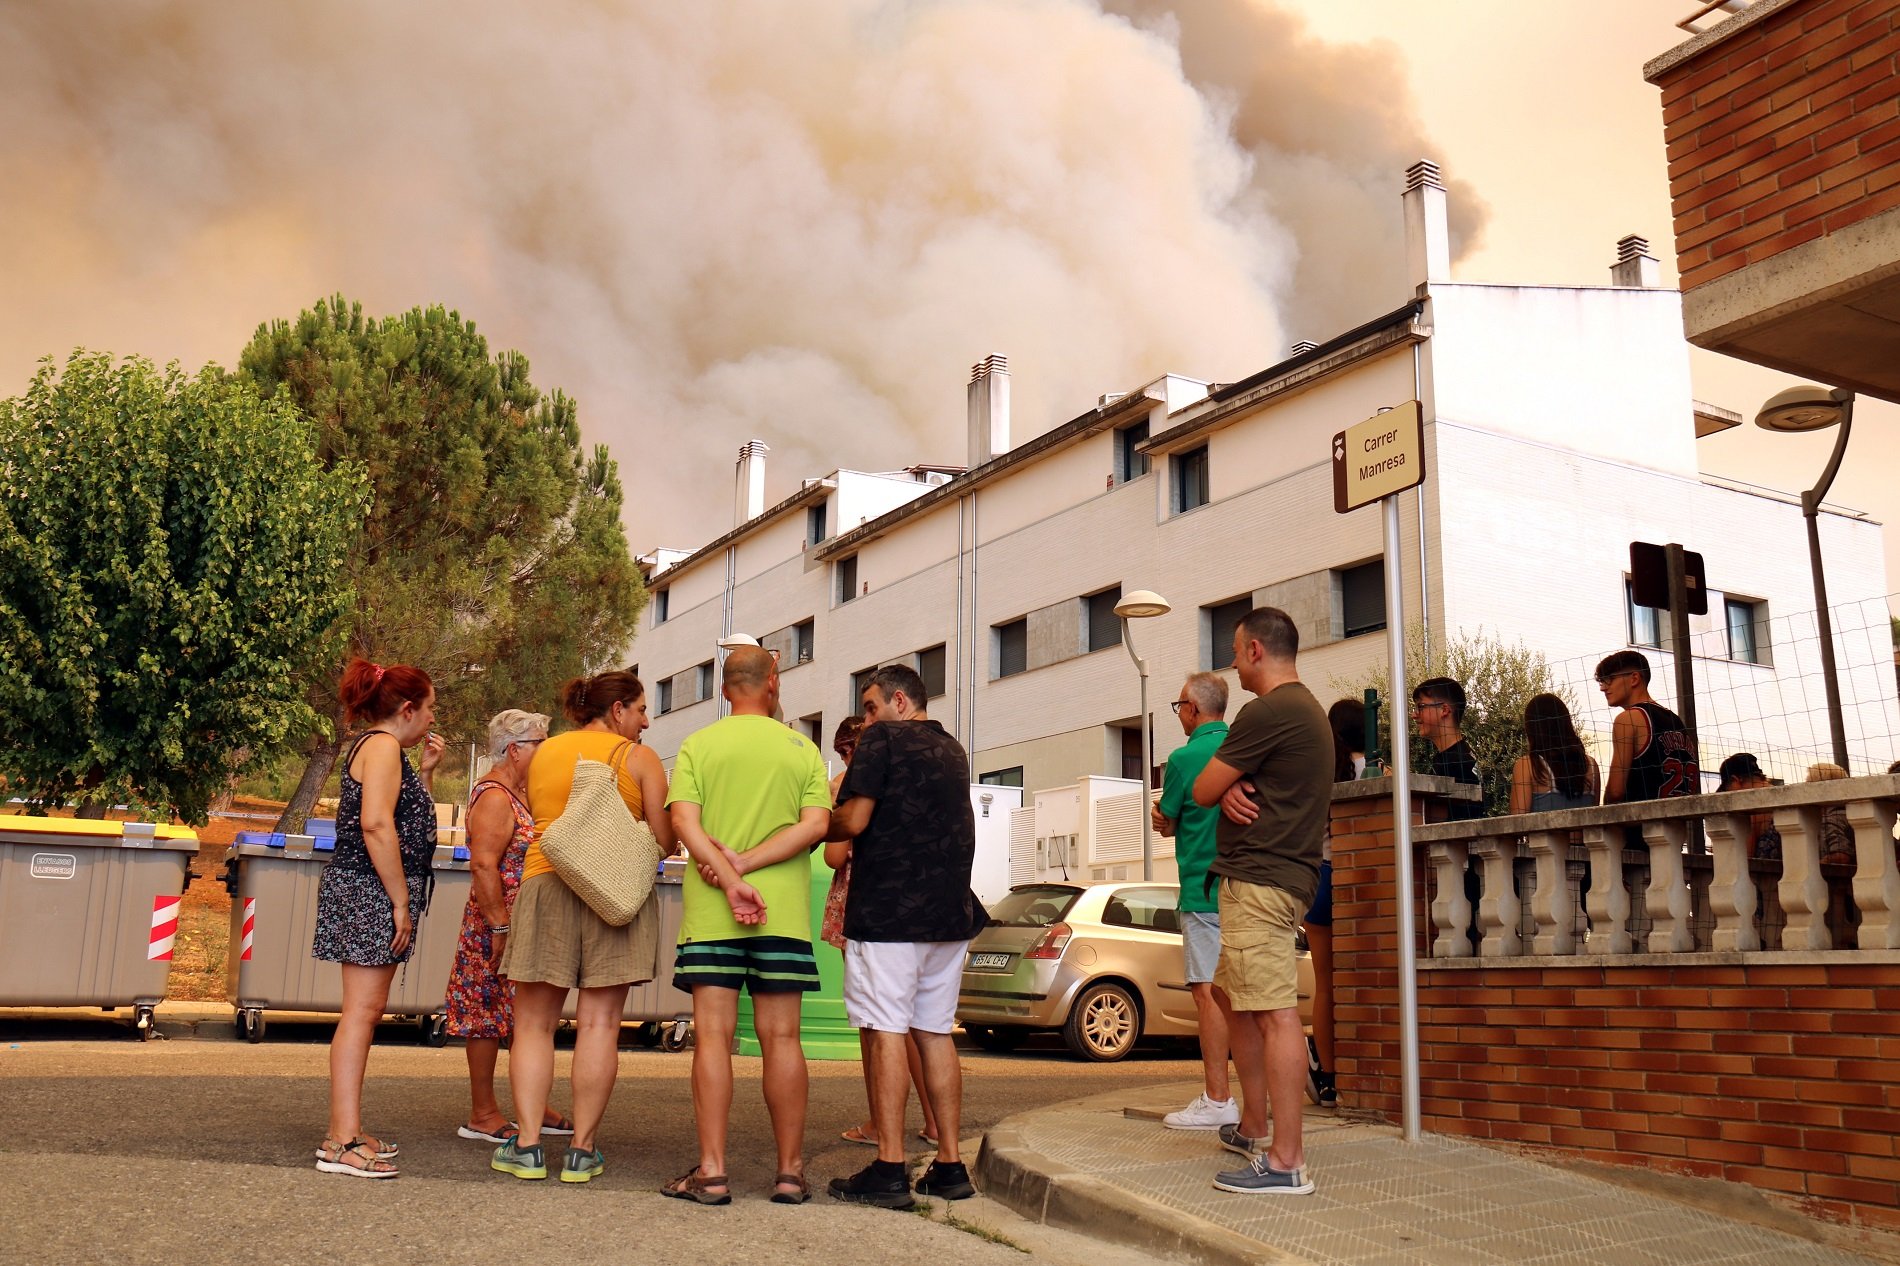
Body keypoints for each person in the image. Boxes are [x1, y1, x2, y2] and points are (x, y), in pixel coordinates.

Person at [491, 669, 677, 1185]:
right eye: (640, 710)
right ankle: (581, 1151)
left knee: (533, 1024)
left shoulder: (543, 752)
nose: (645, 721)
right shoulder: (639, 760)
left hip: (546, 882)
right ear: (617, 710)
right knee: (599, 1025)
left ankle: (527, 1146)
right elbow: (663, 840)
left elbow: (539, 814)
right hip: (612, 892)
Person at [663, 646, 832, 1206]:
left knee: (712, 1037)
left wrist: (723, 869)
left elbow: (683, 820)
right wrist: (751, 866)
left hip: (713, 912)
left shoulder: (699, 745)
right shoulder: (802, 749)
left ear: (724, 687)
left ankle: (712, 1172)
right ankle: (789, 1173)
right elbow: (816, 826)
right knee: (782, 1038)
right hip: (781, 913)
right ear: (773, 681)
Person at [827, 663, 986, 1210]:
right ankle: (948, 1164)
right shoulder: (952, 748)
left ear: (899, 700)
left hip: (890, 912)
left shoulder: (883, 740)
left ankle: (890, 1166)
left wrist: (808, 821)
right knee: (935, 1033)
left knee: (886, 1029)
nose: (865, 720)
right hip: (950, 914)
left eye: (870, 707)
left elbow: (852, 822)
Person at [1190, 607, 1332, 1197]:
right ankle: (1253, 1124)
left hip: (1260, 882)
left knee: (1273, 1014)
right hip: (1279, 878)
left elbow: (1200, 788)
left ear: (1254, 650)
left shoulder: (1268, 710)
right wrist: (1231, 794)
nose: (1232, 661)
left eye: (1235, 648)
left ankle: (1286, 1161)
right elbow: (1235, 791)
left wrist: (1221, 791)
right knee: (1236, 998)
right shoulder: (1308, 712)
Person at [312, 659, 445, 1178]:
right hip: (369, 889)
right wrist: (399, 901)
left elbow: (402, 817)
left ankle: (347, 1129)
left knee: (364, 1012)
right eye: (430, 708)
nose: (432, 720)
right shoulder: (384, 746)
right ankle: (341, 1141)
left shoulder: (377, 747)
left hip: (364, 887)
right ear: (407, 708)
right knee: (362, 1014)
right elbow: (375, 825)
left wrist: (427, 774)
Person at [446, 708, 574, 1144]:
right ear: (514, 749)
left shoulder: (522, 792)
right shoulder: (495, 795)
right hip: (496, 924)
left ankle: (529, 1105)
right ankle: (482, 1112)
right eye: (541, 741)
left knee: (526, 1016)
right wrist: (499, 925)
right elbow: (483, 864)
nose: (547, 748)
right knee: (484, 1015)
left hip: (526, 923)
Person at [826, 715, 941, 1151]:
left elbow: (835, 858)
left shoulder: (845, 784)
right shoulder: (909, 773)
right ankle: (932, 1122)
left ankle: (880, 1123)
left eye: (844, 751)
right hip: (912, 898)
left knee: (875, 1021)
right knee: (918, 1020)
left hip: (862, 901)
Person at [1153, 672, 1237, 1131]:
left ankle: (1218, 1098)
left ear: (1194, 708)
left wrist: (1165, 820)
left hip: (1202, 890)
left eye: (1179, 705)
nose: (1179, 713)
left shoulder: (1184, 758)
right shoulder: (1244, 746)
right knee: (1249, 993)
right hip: (1248, 890)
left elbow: (1164, 819)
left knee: (1208, 994)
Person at [1303, 699, 1367, 1110]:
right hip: (1363, 881)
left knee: (1324, 983)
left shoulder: (1322, 775)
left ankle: (1327, 1078)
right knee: (1362, 977)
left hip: (1322, 880)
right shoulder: (1383, 772)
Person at [1597, 650, 1699, 827]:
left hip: (1636, 834)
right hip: (1674, 831)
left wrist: (1605, 823)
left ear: (1634, 678)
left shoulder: (1628, 719)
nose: (1603, 687)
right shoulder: (1677, 723)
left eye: (1609, 679)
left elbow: (1615, 791)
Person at [1508, 694, 1600, 815]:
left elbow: (1517, 823)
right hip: (1586, 835)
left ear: (1532, 727)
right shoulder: (1591, 766)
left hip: (1542, 834)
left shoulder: (1527, 765)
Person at [1413, 677, 1481, 819]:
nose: (1414, 715)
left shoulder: (1456, 761)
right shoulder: (1459, 755)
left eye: (1421, 707)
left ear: (1444, 710)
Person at [1717, 752, 1779, 860]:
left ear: (1735, 781)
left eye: (1727, 790)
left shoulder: (1750, 806)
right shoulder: (1780, 793)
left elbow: (1745, 857)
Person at [1806, 762, 1854, 865]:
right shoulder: (1854, 813)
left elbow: (1841, 856)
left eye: (1808, 784)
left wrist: (1814, 867)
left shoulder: (1830, 821)